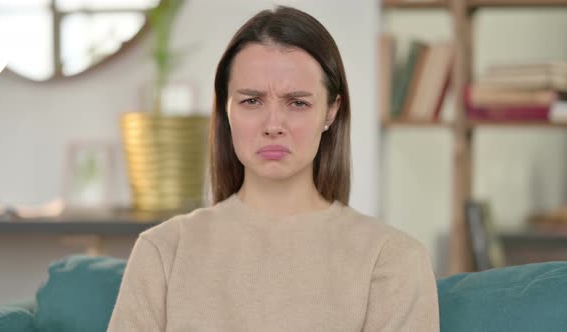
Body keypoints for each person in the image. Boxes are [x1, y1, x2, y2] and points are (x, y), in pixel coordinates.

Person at [108, 5, 439, 332]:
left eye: (297, 103)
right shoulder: (164, 250)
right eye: (251, 101)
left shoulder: (392, 258)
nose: (273, 125)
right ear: (225, 109)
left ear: (331, 112)